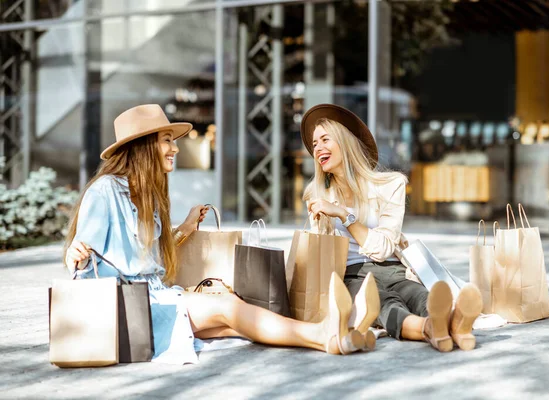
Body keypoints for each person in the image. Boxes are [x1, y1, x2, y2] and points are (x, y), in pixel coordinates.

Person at [64, 104, 380, 364]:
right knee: (228, 308)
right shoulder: (104, 191)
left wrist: (185, 229)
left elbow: (144, 257)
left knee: (232, 321)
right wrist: (72, 255)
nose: (175, 147)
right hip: (128, 309)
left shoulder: (151, 196)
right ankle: (324, 335)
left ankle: (342, 334)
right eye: (166, 140)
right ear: (144, 146)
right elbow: (81, 255)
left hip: (153, 299)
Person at [300, 104, 483, 352]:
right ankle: (434, 329)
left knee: (419, 295)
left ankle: (452, 325)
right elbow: (320, 255)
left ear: (345, 142)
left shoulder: (390, 186)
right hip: (352, 275)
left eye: (324, 139)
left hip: (392, 268)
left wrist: (344, 215)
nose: (318, 148)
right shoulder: (317, 195)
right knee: (385, 306)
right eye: (314, 144)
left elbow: (383, 249)